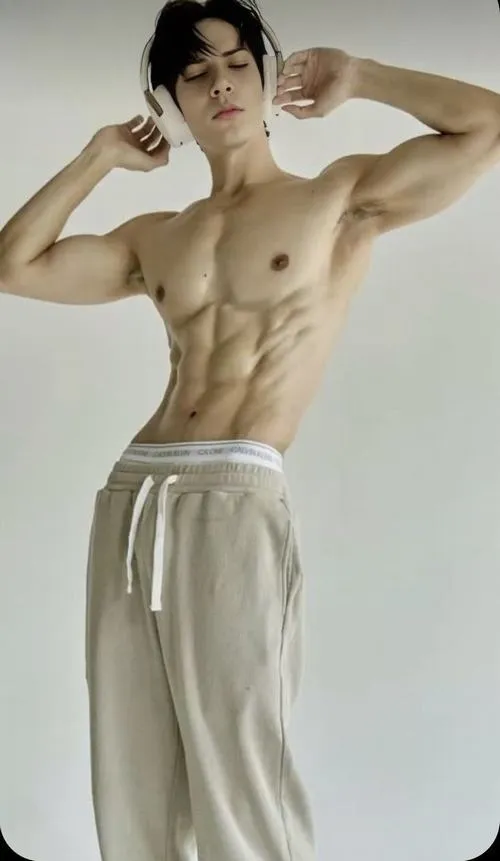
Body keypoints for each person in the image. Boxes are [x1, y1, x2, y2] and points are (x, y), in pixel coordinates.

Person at [1, 0, 500, 858]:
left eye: (237, 63)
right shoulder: (157, 236)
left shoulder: (337, 198)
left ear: (265, 79)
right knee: (132, 778)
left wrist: (363, 78)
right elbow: (15, 265)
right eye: (195, 74)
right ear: (170, 101)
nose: (221, 84)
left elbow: (486, 125)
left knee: (240, 776)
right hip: (133, 497)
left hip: (234, 492)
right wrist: (98, 157)